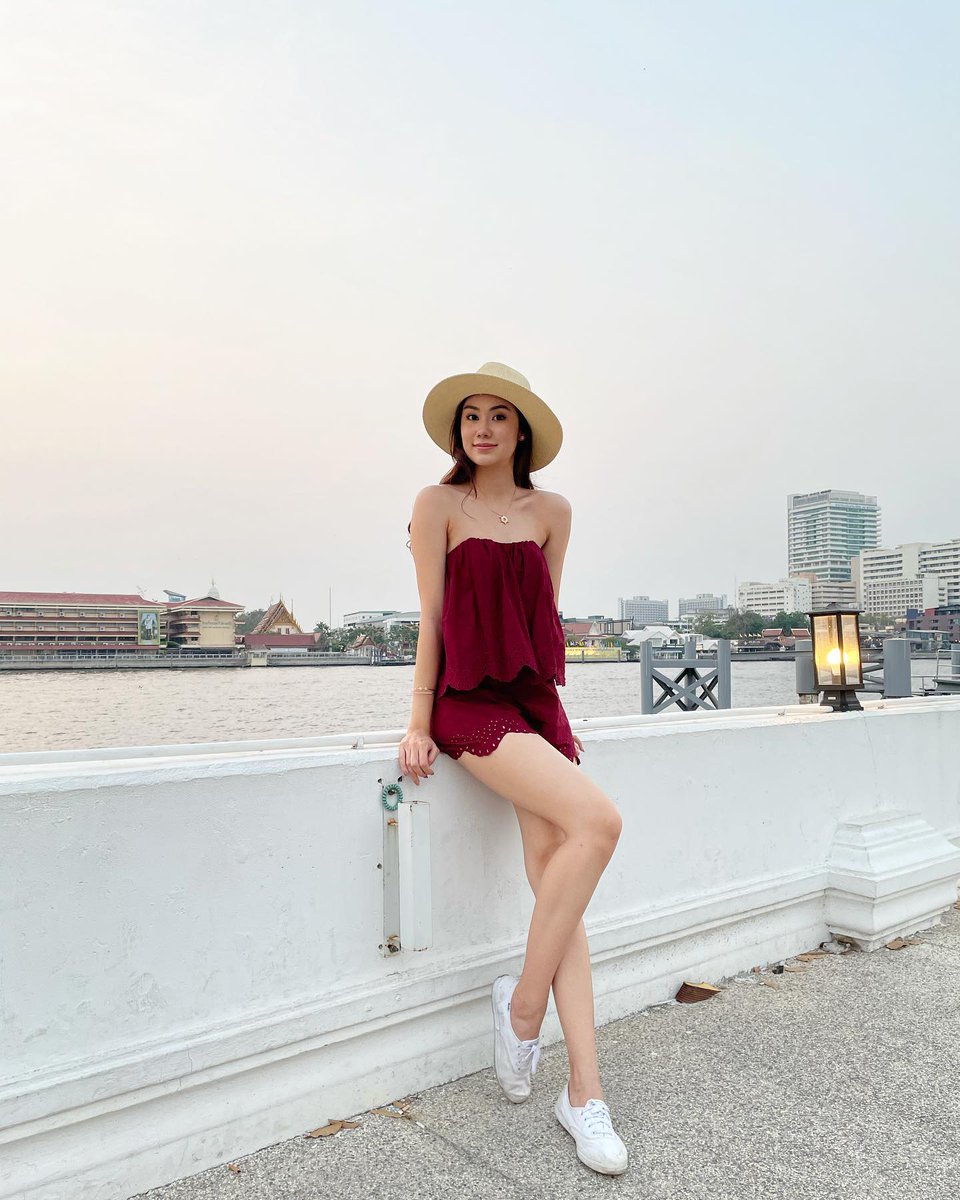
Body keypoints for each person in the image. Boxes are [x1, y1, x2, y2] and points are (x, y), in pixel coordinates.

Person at [398, 362, 628, 1176]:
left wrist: (552, 722)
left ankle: (583, 1093)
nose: (484, 428)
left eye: (500, 416)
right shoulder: (437, 506)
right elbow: (431, 617)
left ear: (522, 430)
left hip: (535, 704)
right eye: (471, 416)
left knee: (554, 880)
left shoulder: (552, 513)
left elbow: (542, 619)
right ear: (458, 430)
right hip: (467, 701)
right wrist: (419, 721)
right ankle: (524, 1011)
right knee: (599, 823)